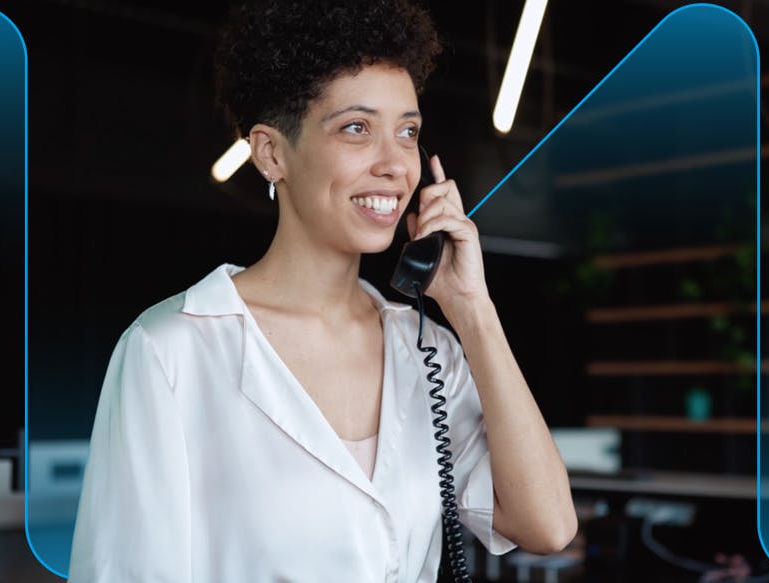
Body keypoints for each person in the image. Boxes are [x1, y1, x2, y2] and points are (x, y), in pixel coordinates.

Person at [66, 0, 577, 581]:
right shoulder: (169, 350)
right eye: (356, 128)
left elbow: (547, 525)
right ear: (271, 153)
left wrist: (472, 310)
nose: (394, 165)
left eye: (407, 132)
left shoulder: (427, 348)